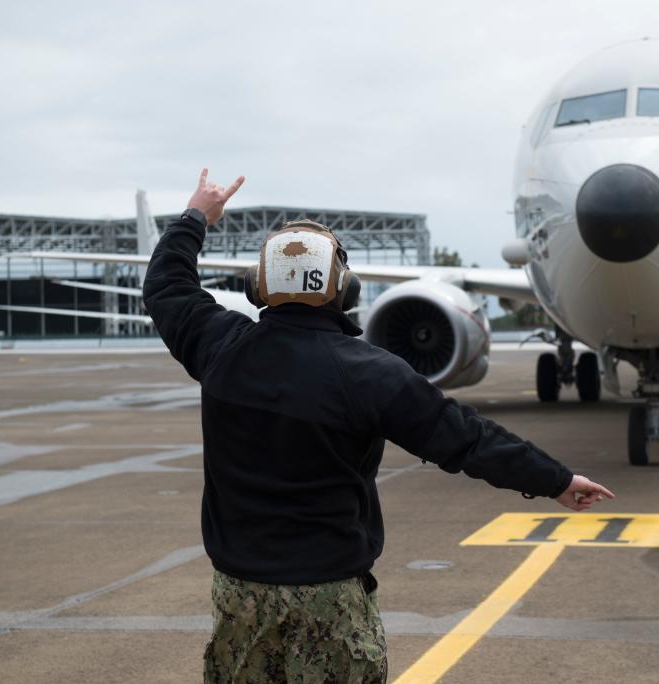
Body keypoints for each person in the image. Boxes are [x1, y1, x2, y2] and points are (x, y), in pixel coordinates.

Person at [143, 169, 616, 684]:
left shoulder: (220, 347)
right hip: (329, 597)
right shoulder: (371, 373)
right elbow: (467, 440)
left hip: (238, 594)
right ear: (344, 288)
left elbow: (167, 285)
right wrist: (555, 481)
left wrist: (196, 216)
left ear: (259, 286)